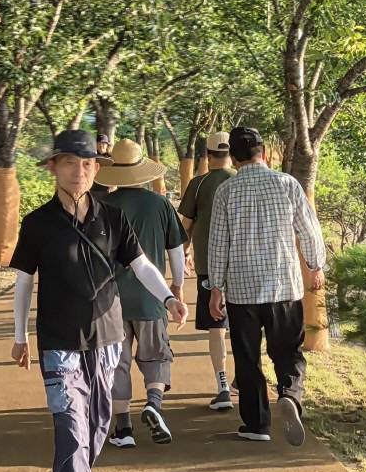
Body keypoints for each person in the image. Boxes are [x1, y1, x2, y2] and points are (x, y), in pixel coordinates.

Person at [9, 130, 188, 472]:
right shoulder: (37, 223)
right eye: (71, 163)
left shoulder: (112, 218)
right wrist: (19, 336)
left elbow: (141, 264)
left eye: (88, 164)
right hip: (59, 342)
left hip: (107, 339)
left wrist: (168, 297)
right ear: (54, 167)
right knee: (71, 427)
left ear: (97, 170)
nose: (80, 171)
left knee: (95, 426)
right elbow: (23, 281)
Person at [207, 127, 326, 446]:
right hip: (284, 288)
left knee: (247, 359)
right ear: (264, 153)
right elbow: (309, 230)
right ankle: (289, 394)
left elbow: (219, 243)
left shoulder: (227, 191)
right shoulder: (287, 184)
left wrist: (216, 287)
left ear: (233, 157)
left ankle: (257, 424)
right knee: (287, 352)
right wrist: (316, 265)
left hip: (242, 292)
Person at [95, 139, 187, 447]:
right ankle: (153, 403)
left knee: (116, 362)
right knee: (157, 354)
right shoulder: (159, 204)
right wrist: (175, 288)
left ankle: (123, 430)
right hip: (151, 295)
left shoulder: (104, 207)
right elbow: (176, 250)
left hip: (112, 299)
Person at [178, 132, 235, 411]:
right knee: (245, 325)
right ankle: (242, 378)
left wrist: (184, 254)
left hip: (209, 268)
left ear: (207, 155)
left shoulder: (199, 185)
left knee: (217, 328)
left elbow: (185, 226)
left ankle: (222, 385)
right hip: (243, 267)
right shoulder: (240, 180)